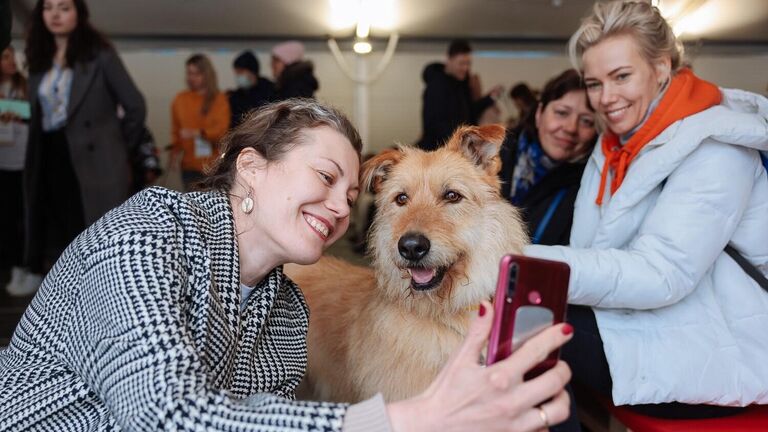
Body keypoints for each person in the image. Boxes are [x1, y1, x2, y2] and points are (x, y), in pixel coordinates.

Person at [0, 99, 573, 431]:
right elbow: (168, 418)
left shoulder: (287, 311)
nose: (337, 208)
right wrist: (402, 421)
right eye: (325, 178)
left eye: (351, 197)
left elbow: (258, 419)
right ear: (250, 167)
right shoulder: (143, 238)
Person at [523, 0, 768, 428]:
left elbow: (662, 274)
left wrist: (525, 262)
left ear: (662, 67)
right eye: (595, 83)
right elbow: (592, 252)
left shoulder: (717, 147)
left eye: (621, 77)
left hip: (723, 350)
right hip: (663, 325)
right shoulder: (615, 146)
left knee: (528, 330)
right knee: (519, 316)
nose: (606, 99)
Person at [21, 0, 146, 296]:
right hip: (49, 154)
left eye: (64, 7)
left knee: (91, 237)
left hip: (92, 161)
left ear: (79, 13)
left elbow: (135, 106)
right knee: (54, 234)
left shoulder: (99, 54)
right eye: (48, 7)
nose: (55, 14)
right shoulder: (39, 57)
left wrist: (116, 149)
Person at [499, 69, 597, 246]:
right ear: (539, 114)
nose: (571, 128)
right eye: (561, 113)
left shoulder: (590, 188)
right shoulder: (493, 157)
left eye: (586, 121)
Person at [417, 39, 502, 151]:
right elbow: (434, 125)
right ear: (449, 59)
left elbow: (469, 112)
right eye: (461, 63)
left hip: (458, 148)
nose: (465, 68)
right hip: (440, 151)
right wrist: (463, 140)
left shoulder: (461, 85)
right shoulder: (436, 86)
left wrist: (489, 98)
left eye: (468, 64)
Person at [170, 53, 230, 190]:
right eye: (189, 73)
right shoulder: (180, 99)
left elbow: (222, 132)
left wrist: (199, 133)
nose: (191, 78)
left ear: (206, 74)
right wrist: (174, 154)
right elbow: (176, 131)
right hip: (188, 166)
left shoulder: (219, 99)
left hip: (213, 166)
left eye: (196, 74)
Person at [0, 46, 30, 295]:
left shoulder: (25, 86)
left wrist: (15, 111)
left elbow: (35, 113)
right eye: (6, 57)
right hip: (3, 159)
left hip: (23, 160)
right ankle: (10, 264)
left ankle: (24, 266)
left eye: (13, 57)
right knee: (6, 217)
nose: (12, 62)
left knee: (23, 215)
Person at [227, 50, 275, 128]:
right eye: (236, 73)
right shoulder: (236, 96)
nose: (238, 76)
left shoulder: (270, 89)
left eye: (241, 72)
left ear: (252, 71)